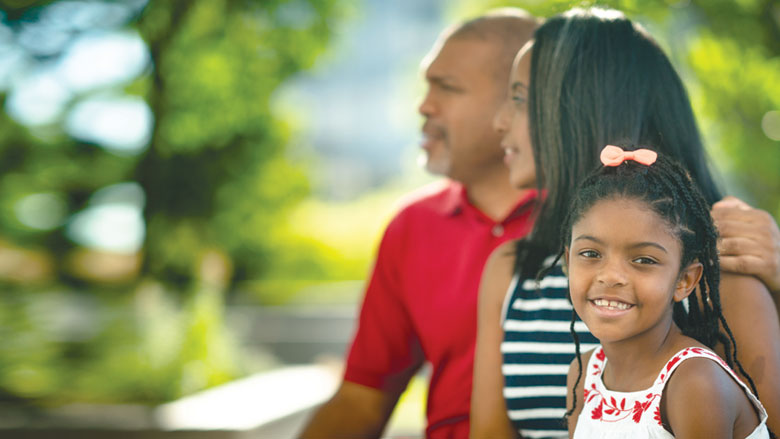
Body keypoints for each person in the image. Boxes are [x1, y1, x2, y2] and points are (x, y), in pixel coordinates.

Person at [471, 7, 780, 439]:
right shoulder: (511, 270)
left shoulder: (719, 264)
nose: (500, 121)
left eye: (521, 98)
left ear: (584, 108)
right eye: (589, 254)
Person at [298, 9, 539, 438]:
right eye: (427, 84)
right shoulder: (412, 227)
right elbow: (361, 398)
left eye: (447, 88)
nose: (424, 105)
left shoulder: (601, 221)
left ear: (518, 100)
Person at [563, 145, 770, 438]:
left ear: (684, 281)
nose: (610, 276)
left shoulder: (695, 382)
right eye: (591, 253)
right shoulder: (584, 373)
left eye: (643, 260)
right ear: (567, 261)